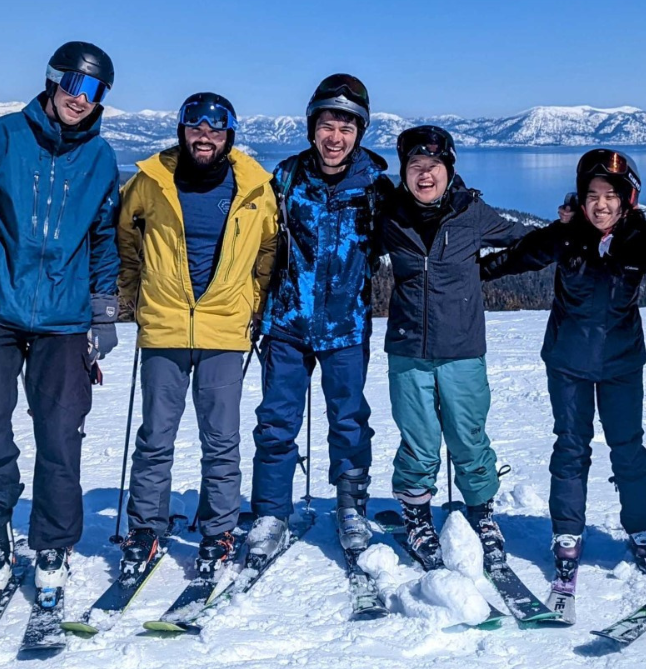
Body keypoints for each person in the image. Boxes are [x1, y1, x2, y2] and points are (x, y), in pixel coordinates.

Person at [0, 41, 122, 606]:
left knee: (60, 432)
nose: (81, 98)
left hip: (64, 319)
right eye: (73, 84)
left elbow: (102, 238)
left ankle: (52, 546)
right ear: (53, 82)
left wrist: (102, 311)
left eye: (94, 91)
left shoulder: (100, 159)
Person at [481, 149, 646, 592]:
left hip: (621, 361)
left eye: (611, 196)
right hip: (568, 361)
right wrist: (463, 275)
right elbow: (515, 258)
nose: (601, 204)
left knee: (628, 447)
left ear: (628, 199)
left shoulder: (643, 235)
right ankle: (567, 530)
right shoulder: (567, 235)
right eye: (592, 195)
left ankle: (641, 528)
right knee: (571, 447)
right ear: (580, 200)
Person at [114, 92, 279, 575]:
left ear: (229, 135)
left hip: (224, 327)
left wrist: (253, 301)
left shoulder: (254, 185)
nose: (204, 137)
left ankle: (218, 531)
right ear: (182, 130)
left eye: (216, 129)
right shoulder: (151, 180)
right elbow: (125, 236)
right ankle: (146, 528)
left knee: (221, 438)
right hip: (164, 323)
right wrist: (132, 292)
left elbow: (268, 249)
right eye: (195, 127)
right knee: (155, 437)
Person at [247, 74, 394, 560]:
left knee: (349, 419)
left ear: (360, 133)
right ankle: (271, 510)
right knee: (276, 420)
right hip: (287, 323)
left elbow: (418, 223)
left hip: (346, 325)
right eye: (328, 125)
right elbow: (253, 236)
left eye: (347, 128)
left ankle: (350, 506)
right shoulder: (286, 178)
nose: (335, 137)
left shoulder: (375, 185)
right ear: (312, 127)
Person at [378, 125, 528, 566]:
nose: (425, 176)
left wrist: (486, 271)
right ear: (404, 172)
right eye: (416, 167)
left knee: (468, 437)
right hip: (408, 350)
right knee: (419, 440)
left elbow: (523, 239)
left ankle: (481, 513)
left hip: (462, 348)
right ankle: (417, 515)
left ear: (449, 170)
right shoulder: (389, 215)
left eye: (434, 167)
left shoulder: (472, 212)